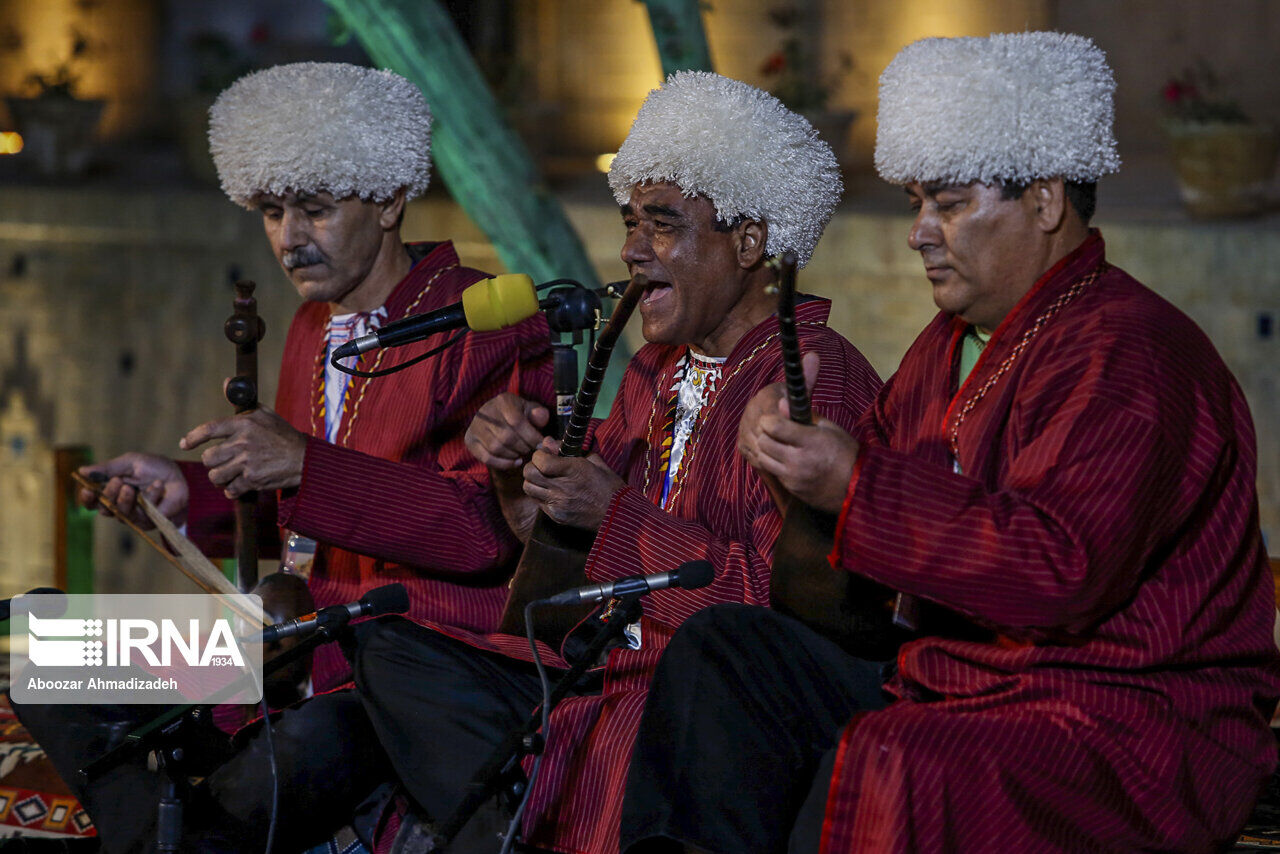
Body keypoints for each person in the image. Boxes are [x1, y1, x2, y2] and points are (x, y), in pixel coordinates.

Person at [622, 32, 1280, 853]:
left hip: (1125, 718)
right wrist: (797, 479)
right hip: (959, 678)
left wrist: (852, 487)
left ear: (1044, 200)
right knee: (727, 653)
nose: (919, 233)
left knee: (895, 757)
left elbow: (1059, 573)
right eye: (913, 205)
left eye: (950, 203)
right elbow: (851, 589)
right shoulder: (945, 347)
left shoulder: (1134, 351)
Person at [11, 62, 552, 852]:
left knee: (279, 766)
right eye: (271, 210)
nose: (289, 239)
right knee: (50, 646)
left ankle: (174, 828)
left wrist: (305, 464)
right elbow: (305, 509)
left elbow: (487, 533)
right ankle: (159, 831)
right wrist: (185, 494)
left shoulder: (482, 322)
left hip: (403, 675)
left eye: (315, 209)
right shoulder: (310, 329)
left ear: (393, 199)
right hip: (280, 645)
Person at [352, 71, 883, 854]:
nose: (631, 249)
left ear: (750, 242)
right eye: (630, 222)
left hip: (694, 709)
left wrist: (615, 514)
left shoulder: (813, 377)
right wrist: (519, 473)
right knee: (390, 652)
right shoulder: (651, 370)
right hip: (592, 673)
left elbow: (775, 617)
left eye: (661, 225)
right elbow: (553, 536)